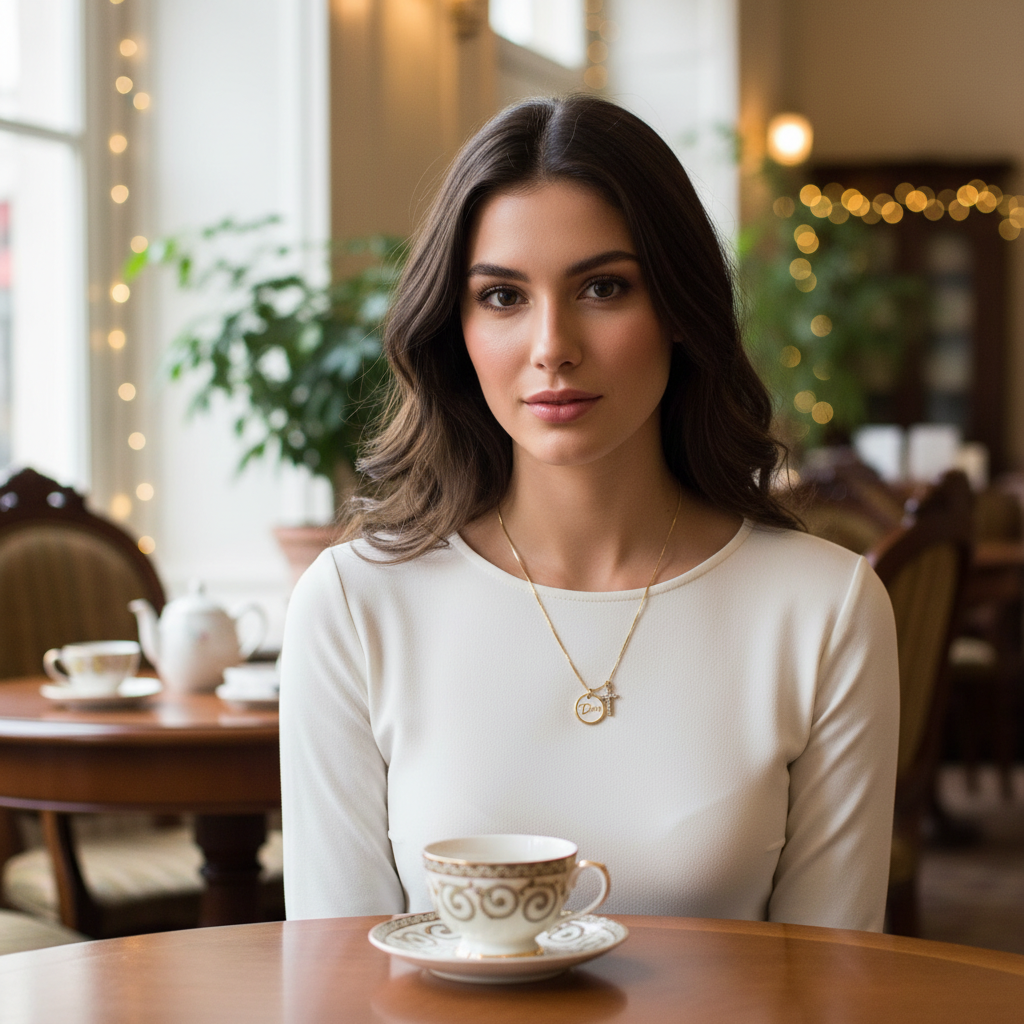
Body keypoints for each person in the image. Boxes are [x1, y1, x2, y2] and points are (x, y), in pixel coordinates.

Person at [280, 95, 899, 931]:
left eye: (603, 288)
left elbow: (833, 984)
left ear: (679, 309)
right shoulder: (354, 605)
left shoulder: (825, 611)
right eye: (503, 297)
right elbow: (334, 977)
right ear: (454, 327)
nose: (552, 346)